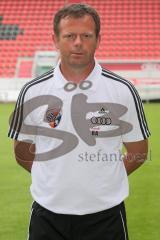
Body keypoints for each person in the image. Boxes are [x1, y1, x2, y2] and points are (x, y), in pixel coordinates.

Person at [8, 3, 150, 240]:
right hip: (47, 216)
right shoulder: (33, 91)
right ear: (55, 39)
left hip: (106, 217)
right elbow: (22, 151)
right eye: (70, 35)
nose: (77, 42)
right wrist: (53, 177)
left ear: (98, 39)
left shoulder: (122, 90)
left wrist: (107, 178)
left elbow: (138, 151)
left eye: (86, 35)